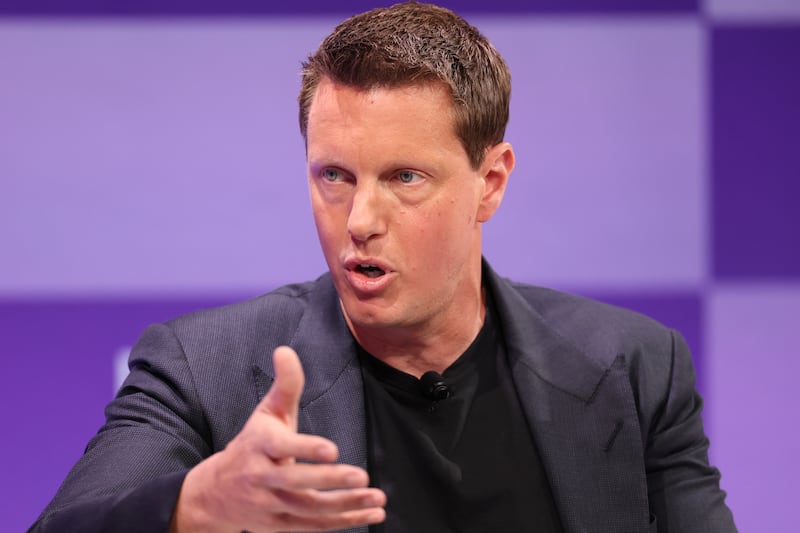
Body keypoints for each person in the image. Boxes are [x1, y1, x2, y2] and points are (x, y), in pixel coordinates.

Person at [30, 2, 737, 532]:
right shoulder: (205, 369)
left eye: (403, 177)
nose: (360, 219)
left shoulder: (635, 366)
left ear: (490, 182)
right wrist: (194, 505)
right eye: (334, 175)